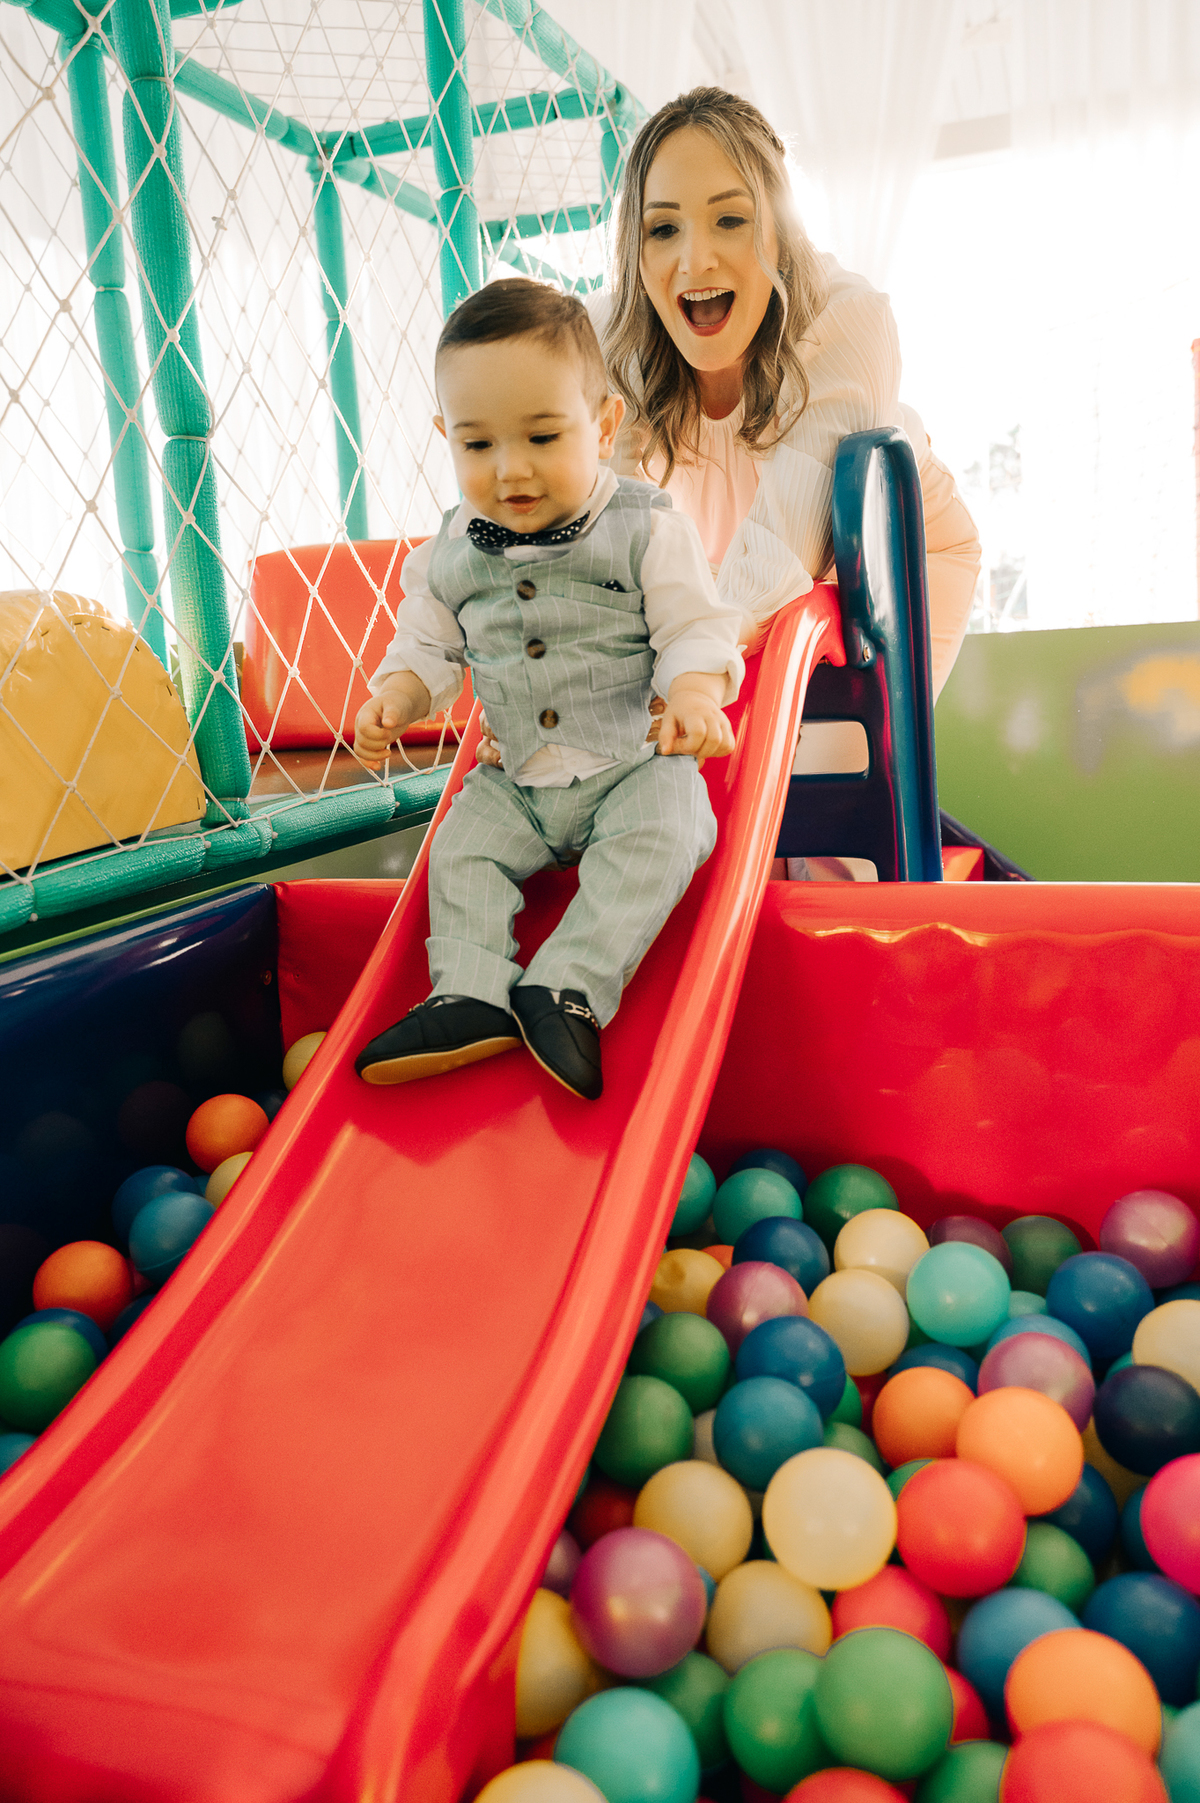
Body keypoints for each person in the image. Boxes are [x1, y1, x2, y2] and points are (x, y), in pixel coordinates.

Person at [477, 87, 981, 817]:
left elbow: (782, 547)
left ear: (779, 229)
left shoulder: (849, 319)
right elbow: (582, 537)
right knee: (668, 747)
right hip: (733, 541)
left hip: (891, 556)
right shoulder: (608, 339)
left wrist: (678, 669)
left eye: (730, 219)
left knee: (820, 797)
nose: (695, 258)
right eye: (663, 229)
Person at [351, 279, 744, 1101]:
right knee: (459, 848)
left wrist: (695, 694)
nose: (512, 468)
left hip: (630, 766)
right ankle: (468, 991)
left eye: (541, 435)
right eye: (478, 444)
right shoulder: (450, 551)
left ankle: (566, 984)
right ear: (446, 438)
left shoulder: (645, 527)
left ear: (602, 425)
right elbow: (426, 642)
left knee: (676, 824)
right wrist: (399, 694)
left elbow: (692, 625)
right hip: (516, 783)